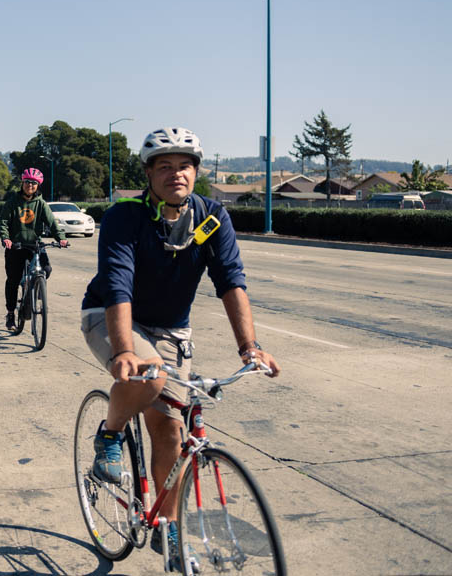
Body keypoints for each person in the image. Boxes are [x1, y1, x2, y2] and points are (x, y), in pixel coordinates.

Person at [80, 127, 281, 571]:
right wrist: (123, 350)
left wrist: (250, 347)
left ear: (196, 172)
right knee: (147, 374)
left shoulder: (211, 218)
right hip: (110, 314)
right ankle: (109, 433)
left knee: (171, 430)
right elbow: (117, 281)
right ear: (149, 173)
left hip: (172, 327)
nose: (176, 174)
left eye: (185, 166)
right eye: (165, 167)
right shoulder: (125, 216)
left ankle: (168, 529)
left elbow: (231, 280)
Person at [0, 167, 68, 332]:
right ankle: (10, 314)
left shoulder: (41, 204)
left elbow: (53, 223)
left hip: (34, 245)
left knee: (47, 269)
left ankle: (35, 289)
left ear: (38, 186)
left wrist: (61, 238)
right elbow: (4, 222)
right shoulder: (12, 202)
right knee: (13, 281)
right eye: (28, 182)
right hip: (15, 246)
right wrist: (6, 238)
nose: (30, 185)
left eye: (34, 183)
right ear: (22, 183)